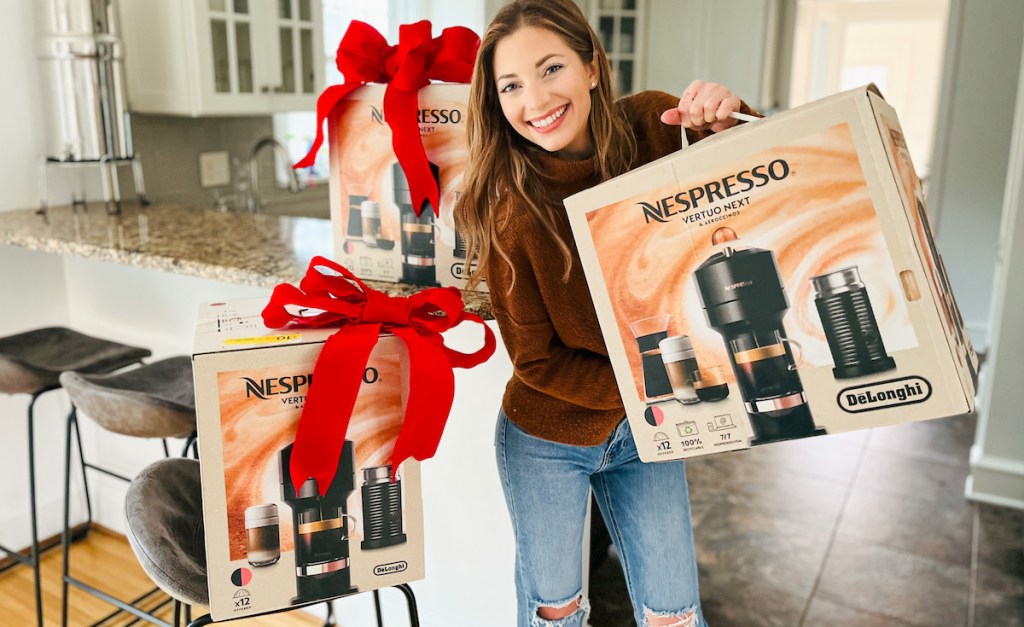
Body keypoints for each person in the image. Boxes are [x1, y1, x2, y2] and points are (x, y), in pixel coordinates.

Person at [455, 1, 755, 625]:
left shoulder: (653, 125)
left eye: (551, 68)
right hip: (548, 439)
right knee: (555, 614)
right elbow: (537, 361)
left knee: (675, 613)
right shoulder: (509, 207)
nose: (534, 99)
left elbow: (753, 182)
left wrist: (726, 124)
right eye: (511, 85)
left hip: (647, 429)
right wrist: (665, 382)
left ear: (592, 66)